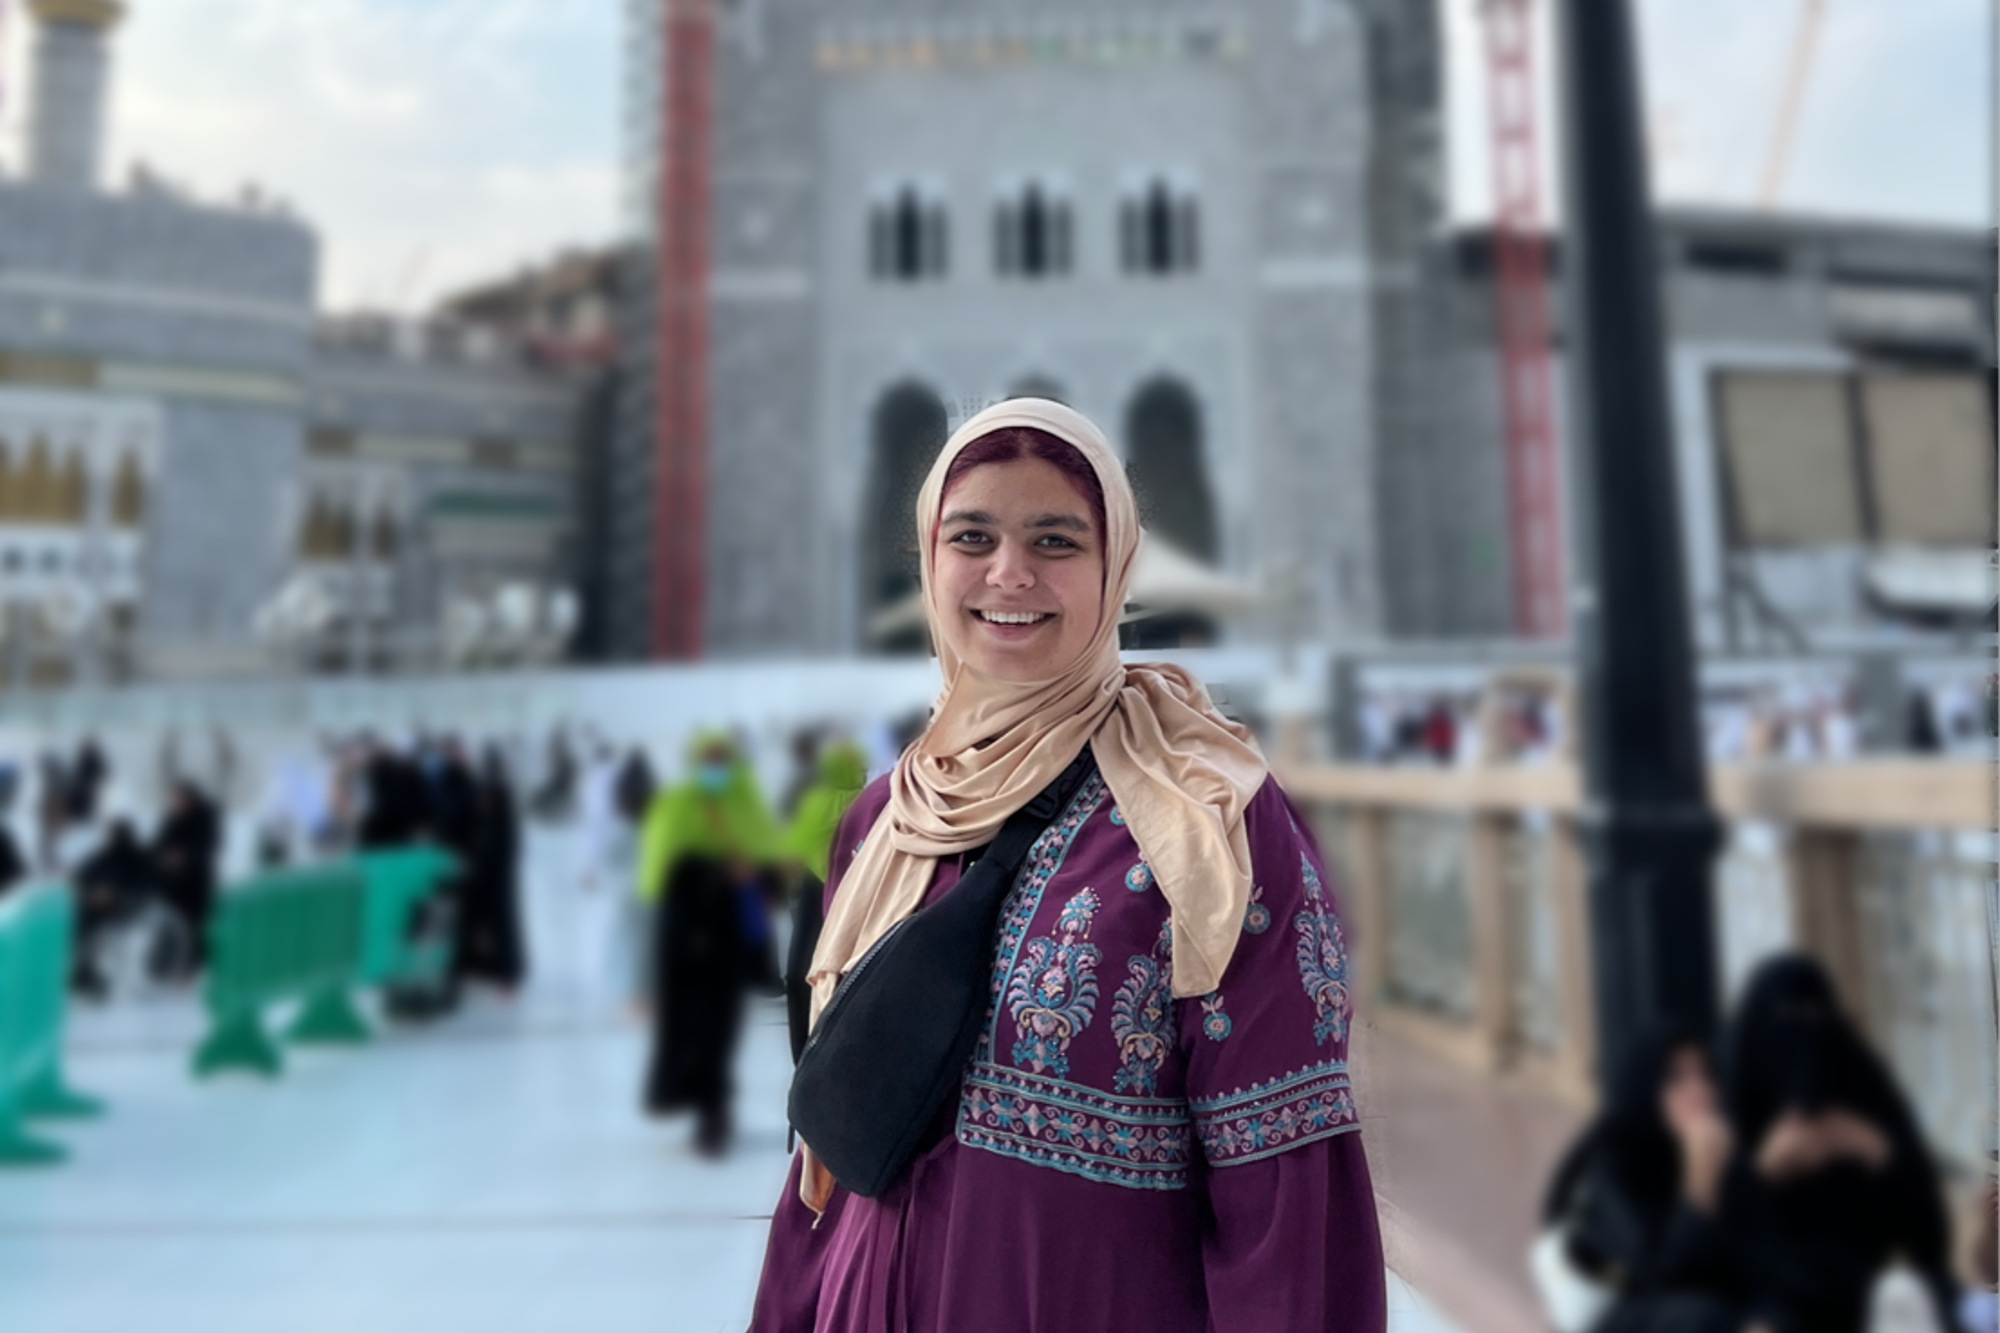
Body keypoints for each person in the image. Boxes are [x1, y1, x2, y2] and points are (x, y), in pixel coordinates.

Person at [749, 399, 1384, 1333]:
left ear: (1113, 567)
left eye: (1055, 539)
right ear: (930, 560)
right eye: (973, 536)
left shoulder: (1206, 819)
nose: (1010, 573)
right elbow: (830, 1160)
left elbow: (1283, 1191)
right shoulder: (886, 819)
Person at [1726, 954, 1958, 1333]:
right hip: (1772, 1295)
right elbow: (1714, 1247)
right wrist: (1762, 1173)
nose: (1806, 1031)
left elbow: (1929, 1239)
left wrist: (1873, 1148)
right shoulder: (1738, 1104)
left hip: (1873, 1287)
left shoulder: (1864, 1086)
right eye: (1788, 1014)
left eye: (1816, 1014)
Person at [1542, 1026, 1759, 1333]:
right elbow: (1661, 1275)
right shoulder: (1615, 1157)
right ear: (1645, 1086)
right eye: (1675, 1079)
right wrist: (1699, 1182)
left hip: (1705, 1303)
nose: (1699, 1090)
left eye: (1706, 1075)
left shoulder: (1719, 1144)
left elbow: (1756, 1252)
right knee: (1702, 1316)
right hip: (1621, 1310)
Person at [638, 733, 783, 1153]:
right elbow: (658, 871)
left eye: (722, 760)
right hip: (684, 934)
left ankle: (712, 1110)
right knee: (687, 1023)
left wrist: (751, 873)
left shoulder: (746, 804)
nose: (716, 768)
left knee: (717, 1028)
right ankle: (694, 1098)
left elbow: (767, 868)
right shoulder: (678, 804)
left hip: (727, 940)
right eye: (709, 759)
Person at [779, 739, 867, 1063]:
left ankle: (802, 1053)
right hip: (852, 897)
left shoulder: (816, 801)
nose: (865, 770)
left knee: (802, 972)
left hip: (813, 891)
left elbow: (789, 853)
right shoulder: (868, 801)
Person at [455, 746, 527, 992]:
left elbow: (497, 848)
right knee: (490, 928)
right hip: (490, 879)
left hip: (496, 881)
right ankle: (494, 972)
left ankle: (506, 976)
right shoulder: (495, 805)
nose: (481, 803)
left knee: (501, 929)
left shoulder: (498, 805)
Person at [70, 817, 156, 998]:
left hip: (126, 909)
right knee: (75, 921)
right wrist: (91, 892)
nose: (114, 839)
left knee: (90, 926)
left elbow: (147, 887)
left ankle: (91, 976)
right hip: (94, 905)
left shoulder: (140, 860)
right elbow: (81, 877)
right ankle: (80, 973)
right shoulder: (102, 857)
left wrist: (115, 895)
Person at [153, 780, 220, 978]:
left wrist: (185, 856)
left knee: (194, 925)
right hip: (170, 885)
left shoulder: (205, 817)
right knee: (168, 925)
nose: (177, 803)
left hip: (195, 884)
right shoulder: (171, 819)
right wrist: (164, 858)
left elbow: (208, 846)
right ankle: (167, 964)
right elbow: (157, 844)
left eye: (180, 799)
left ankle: (191, 966)